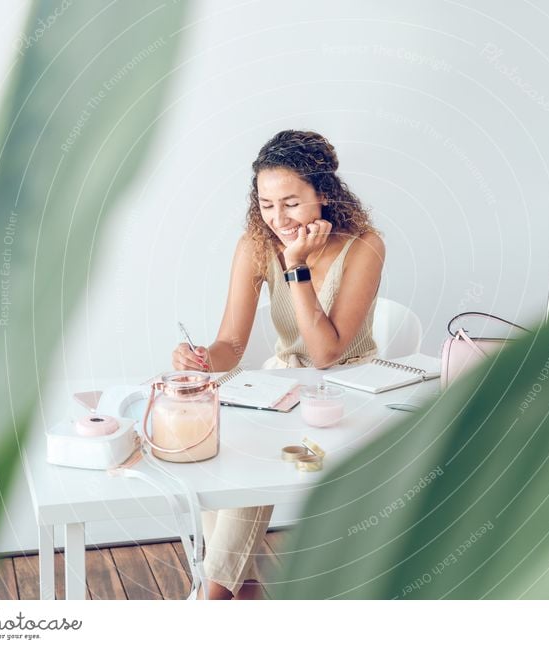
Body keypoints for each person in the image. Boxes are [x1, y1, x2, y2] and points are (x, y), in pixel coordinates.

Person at [171, 129, 385, 599]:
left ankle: (216, 597)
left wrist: (296, 266)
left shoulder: (364, 245)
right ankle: (236, 589)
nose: (278, 218)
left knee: (254, 458)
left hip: (349, 395)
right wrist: (204, 358)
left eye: (291, 202)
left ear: (324, 193)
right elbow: (231, 342)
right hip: (285, 386)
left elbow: (328, 354)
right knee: (221, 447)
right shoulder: (254, 244)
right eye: (267, 205)